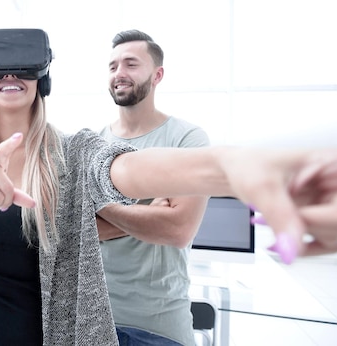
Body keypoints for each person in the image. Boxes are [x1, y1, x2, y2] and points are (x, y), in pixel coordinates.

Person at [0, 28, 337, 345]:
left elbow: (126, 172)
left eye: (22, 70)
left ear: (42, 79)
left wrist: (235, 167)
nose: (9, 79)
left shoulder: (76, 151)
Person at [98, 29, 209, 346]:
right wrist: (148, 211)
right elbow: (76, 229)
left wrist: (102, 207)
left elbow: (178, 229)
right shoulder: (92, 144)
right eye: (113, 66)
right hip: (94, 322)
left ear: (157, 74)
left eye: (131, 64)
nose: (120, 73)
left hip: (159, 327)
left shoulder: (187, 141)